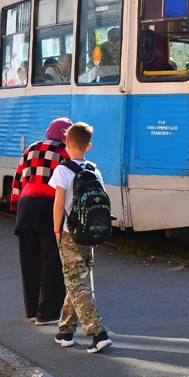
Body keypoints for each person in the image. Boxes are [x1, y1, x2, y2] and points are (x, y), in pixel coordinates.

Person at [49, 122, 113, 353]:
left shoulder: (62, 170)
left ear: (66, 144)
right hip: (89, 233)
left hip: (69, 233)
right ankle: (65, 332)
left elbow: (58, 204)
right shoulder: (95, 170)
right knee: (77, 281)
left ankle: (98, 333)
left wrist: (56, 229)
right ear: (89, 146)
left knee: (76, 282)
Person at [11, 117, 72, 326]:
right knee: (51, 262)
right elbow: (67, 187)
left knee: (29, 262)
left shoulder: (31, 148)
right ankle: (47, 313)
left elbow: (18, 179)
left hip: (26, 207)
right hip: (49, 207)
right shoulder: (65, 153)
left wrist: (15, 207)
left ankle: (32, 311)